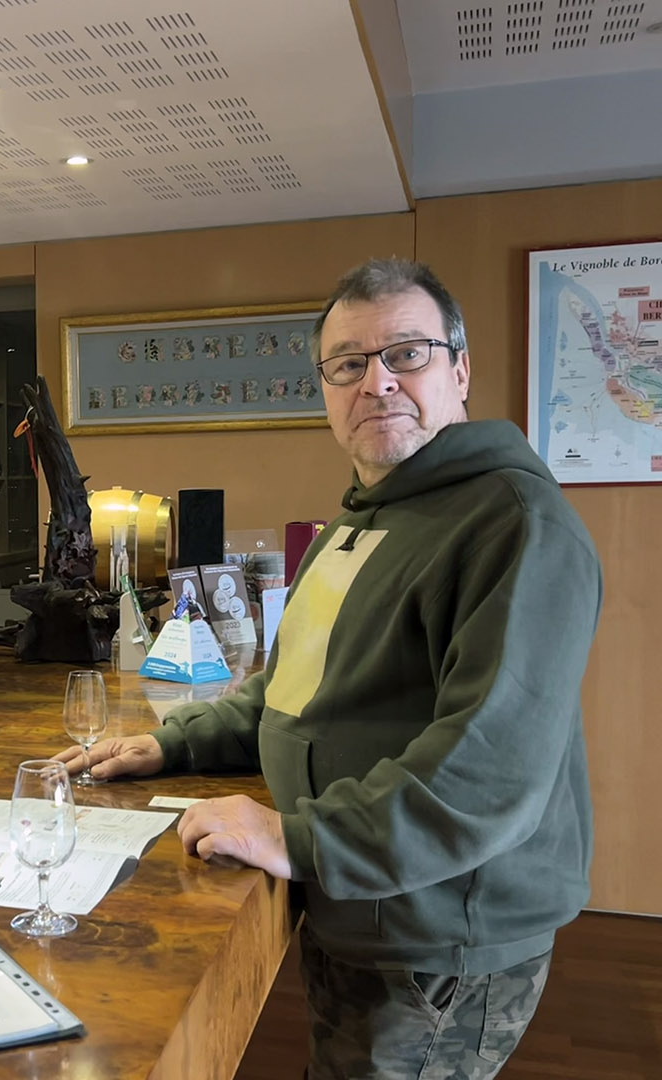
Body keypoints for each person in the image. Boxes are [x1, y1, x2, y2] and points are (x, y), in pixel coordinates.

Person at [55, 257, 602, 1079]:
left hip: (439, 935)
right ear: (325, 389)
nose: (377, 382)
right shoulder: (357, 523)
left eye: (406, 354)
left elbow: (490, 770)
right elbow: (291, 692)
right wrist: (175, 743)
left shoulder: (516, 525)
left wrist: (296, 834)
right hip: (358, 901)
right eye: (349, 364)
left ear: (459, 370)